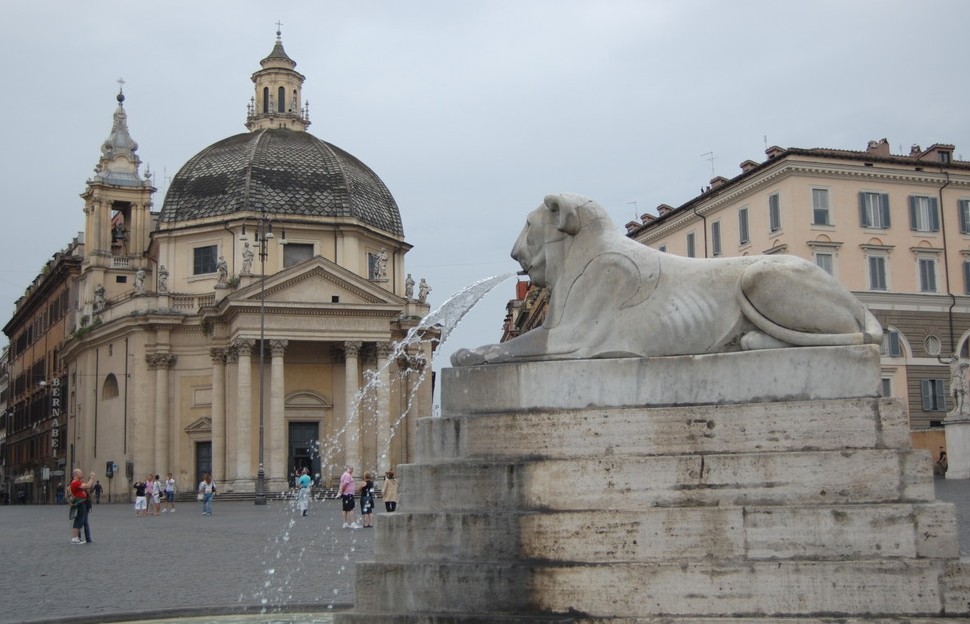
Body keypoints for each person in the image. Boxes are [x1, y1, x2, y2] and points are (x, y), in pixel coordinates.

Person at [68, 468, 95, 544]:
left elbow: (87, 488)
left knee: (80, 520)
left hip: (82, 502)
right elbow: (88, 486)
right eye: (80, 473)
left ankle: (77, 538)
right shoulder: (75, 482)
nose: (82, 475)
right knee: (79, 521)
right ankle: (75, 538)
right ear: (76, 474)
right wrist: (92, 477)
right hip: (80, 502)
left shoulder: (77, 482)